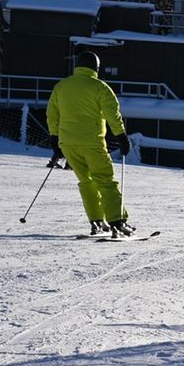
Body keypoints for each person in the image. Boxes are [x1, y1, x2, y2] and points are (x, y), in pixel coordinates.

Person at [47, 52, 135, 236]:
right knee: (105, 180)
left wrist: (55, 143)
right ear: (96, 68)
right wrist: (121, 137)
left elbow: (53, 115)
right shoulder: (100, 87)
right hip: (92, 142)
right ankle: (117, 222)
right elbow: (113, 114)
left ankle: (96, 221)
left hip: (68, 143)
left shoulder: (61, 87)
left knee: (86, 181)